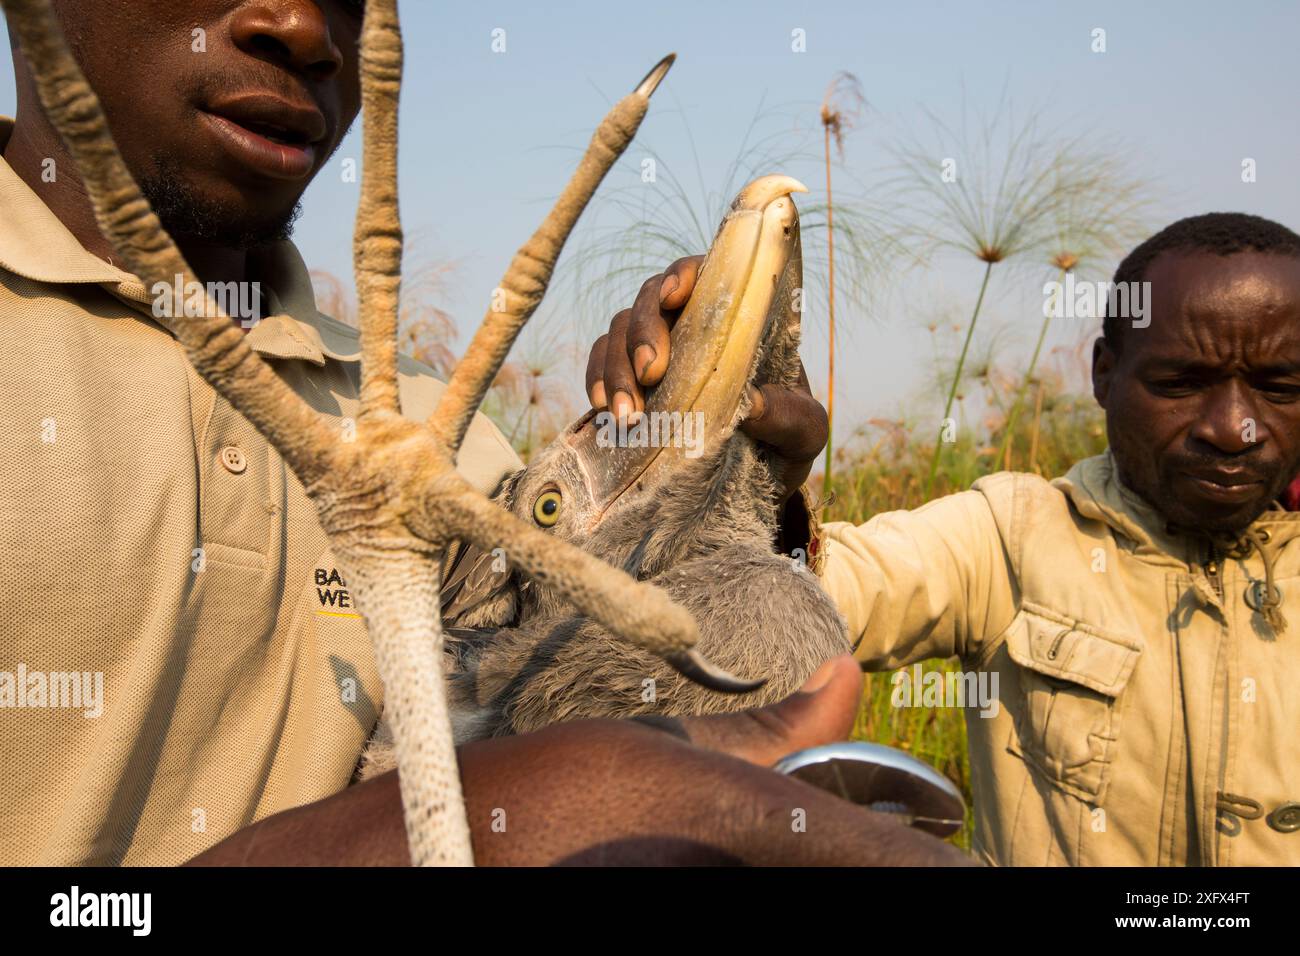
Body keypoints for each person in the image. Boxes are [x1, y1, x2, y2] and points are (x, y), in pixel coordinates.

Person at [0, 1, 966, 867]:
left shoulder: (437, 427)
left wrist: (739, 498)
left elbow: (586, 671)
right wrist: (493, 810)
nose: (304, 28)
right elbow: (530, 793)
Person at [593, 214, 1300, 865]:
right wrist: (728, 445)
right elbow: (787, 600)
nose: (1233, 428)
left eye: (1280, 387)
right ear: (1104, 375)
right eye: (1182, 382)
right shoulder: (1012, 539)